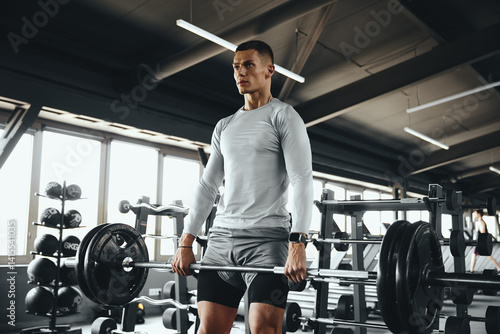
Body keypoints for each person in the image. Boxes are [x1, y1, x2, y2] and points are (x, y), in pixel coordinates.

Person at [170, 40, 314, 334]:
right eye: (236, 67)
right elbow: (209, 184)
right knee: (208, 331)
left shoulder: (283, 116)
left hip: (267, 242)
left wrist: (298, 242)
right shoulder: (225, 125)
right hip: (220, 243)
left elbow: (301, 179)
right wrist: (186, 241)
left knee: (264, 330)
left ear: (269, 70)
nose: (240, 73)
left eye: (248, 65)